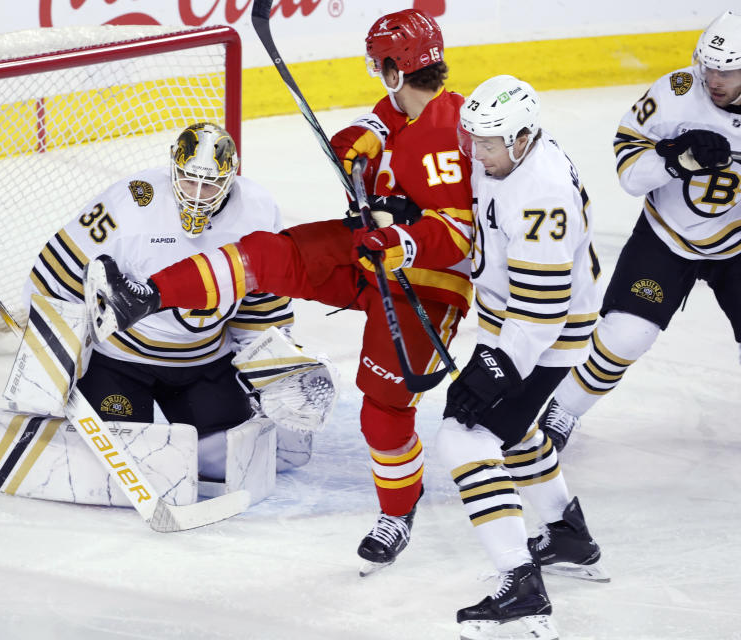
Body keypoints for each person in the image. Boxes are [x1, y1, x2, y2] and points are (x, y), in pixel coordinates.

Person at [86, 8, 474, 575]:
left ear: (396, 67)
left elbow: (457, 236)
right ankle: (143, 297)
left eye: (380, 65)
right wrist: (365, 139)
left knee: (383, 413)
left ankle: (398, 511)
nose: (377, 77)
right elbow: (384, 124)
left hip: (425, 285)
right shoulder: (408, 112)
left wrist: (401, 234)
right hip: (371, 256)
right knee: (270, 254)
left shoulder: (444, 132)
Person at [0, 122, 336, 506]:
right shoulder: (133, 200)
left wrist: (273, 367)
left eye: (209, 185)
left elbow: (261, 297)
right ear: (173, 166)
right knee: (118, 457)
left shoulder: (258, 209)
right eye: (188, 178)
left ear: (231, 179)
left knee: (232, 454)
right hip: (120, 362)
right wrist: (51, 352)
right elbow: (56, 271)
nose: (195, 192)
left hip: (203, 360)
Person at [438, 75, 608, 639]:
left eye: (488, 143)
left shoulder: (541, 193)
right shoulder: (505, 154)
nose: (476, 153)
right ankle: (566, 532)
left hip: (543, 334)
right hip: (515, 323)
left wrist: (496, 367)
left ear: (524, 136)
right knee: (511, 431)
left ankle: (522, 588)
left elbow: (542, 309)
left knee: (465, 438)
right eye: (474, 139)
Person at [539, 9, 741, 452]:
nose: (714, 79)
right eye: (709, 66)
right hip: (665, 236)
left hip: (737, 245)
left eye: (727, 70)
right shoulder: (676, 92)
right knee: (626, 334)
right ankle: (564, 409)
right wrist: (675, 161)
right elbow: (629, 174)